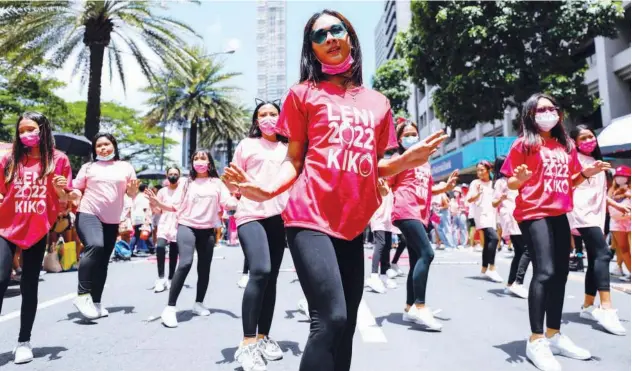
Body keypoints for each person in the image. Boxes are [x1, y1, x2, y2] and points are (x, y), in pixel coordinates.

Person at [221, 9, 446, 371]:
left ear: (350, 36)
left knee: (348, 326)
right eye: (320, 35)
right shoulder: (302, 95)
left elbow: (377, 167)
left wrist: (408, 159)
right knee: (331, 319)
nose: (330, 38)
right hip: (309, 216)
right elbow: (294, 160)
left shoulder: (378, 103)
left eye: (336, 30)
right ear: (312, 50)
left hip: (352, 223)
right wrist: (263, 190)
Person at [501, 93, 610, 371]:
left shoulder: (566, 145)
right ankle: (536, 340)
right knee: (545, 272)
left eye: (553, 109)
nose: (549, 113)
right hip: (533, 213)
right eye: (542, 109)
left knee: (561, 274)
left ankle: (554, 333)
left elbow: (570, 180)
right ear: (530, 115)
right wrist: (520, 179)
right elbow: (511, 182)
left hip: (559, 213)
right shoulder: (523, 144)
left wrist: (588, 173)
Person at [223, 99, 290, 371]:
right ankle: (248, 343)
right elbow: (233, 181)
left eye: (273, 113)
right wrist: (232, 191)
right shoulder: (246, 145)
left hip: (279, 216)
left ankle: (263, 338)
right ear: (255, 120)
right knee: (260, 271)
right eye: (262, 114)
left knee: (271, 278)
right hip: (251, 213)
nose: (268, 118)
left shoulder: (289, 148)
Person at [0, 112, 72, 364]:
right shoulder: (9, 160)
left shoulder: (58, 160)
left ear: (43, 130)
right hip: (6, 227)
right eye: (21, 130)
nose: (25, 134)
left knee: (29, 285)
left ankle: (23, 341)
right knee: (0, 278)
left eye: (31, 129)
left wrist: (61, 191)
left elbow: (66, 202)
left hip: (37, 228)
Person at [146, 150, 236, 328]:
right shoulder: (187, 183)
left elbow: (228, 202)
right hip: (187, 226)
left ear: (209, 162)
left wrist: (235, 200)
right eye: (196, 158)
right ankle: (170, 308)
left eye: (203, 158)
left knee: (204, 268)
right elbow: (175, 206)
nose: (199, 161)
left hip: (208, 230)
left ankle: (198, 303)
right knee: (185, 262)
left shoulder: (217, 183)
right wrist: (158, 203)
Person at [390, 121, 458, 331]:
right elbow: (386, 181)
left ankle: (409, 307)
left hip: (420, 213)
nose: (411, 137)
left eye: (414, 133)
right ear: (399, 140)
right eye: (406, 134)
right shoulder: (399, 159)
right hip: (405, 209)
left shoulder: (424, 161)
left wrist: (444, 188)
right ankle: (421, 306)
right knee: (427, 253)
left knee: (415, 259)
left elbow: (426, 188)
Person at [70, 133, 138, 320]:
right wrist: (74, 194)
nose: (103, 148)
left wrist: (132, 191)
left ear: (114, 146)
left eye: (106, 144)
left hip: (112, 220)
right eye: (98, 145)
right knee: (95, 245)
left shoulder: (125, 167)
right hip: (88, 212)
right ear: (94, 149)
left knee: (102, 261)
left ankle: (96, 302)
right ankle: (82, 295)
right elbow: (76, 187)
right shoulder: (88, 167)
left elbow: (131, 193)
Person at [567, 125, 627, 335]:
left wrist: (617, 206)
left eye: (591, 136)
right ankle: (607, 308)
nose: (589, 140)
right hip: (581, 212)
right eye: (583, 138)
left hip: (597, 214)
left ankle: (587, 305)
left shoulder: (597, 162)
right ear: (574, 142)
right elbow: (569, 185)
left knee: (595, 258)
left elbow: (600, 191)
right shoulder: (572, 160)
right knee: (603, 253)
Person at [492, 156, 530, 299]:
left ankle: (510, 284)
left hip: (518, 215)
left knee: (520, 251)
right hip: (511, 217)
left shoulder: (515, 179)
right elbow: (494, 203)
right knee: (527, 249)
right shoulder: (501, 183)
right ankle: (517, 283)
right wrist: (501, 198)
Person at [467, 161, 503, 282]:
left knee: (488, 240)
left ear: (489, 170)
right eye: (478, 170)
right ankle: (491, 268)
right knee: (494, 238)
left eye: (482, 170)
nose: (479, 172)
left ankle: (483, 269)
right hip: (481, 215)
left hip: (492, 214)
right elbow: (469, 199)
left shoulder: (494, 184)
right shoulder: (475, 183)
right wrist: (477, 194)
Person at [365, 176, 399, 294]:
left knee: (387, 246)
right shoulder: (378, 181)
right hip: (378, 219)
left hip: (388, 221)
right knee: (381, 244)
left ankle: (384, 275)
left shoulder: (391, 187)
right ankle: (374, 275)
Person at [153, 166, 181, 293]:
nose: (173, 176)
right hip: (164, 223)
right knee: (160, 247)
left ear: (179, 176)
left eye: (175, 174)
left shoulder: (182, 190)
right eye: (171, 173)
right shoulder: (162, 191)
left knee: (174, 252)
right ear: (167, 175)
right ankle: (160, 278)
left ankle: (170, 278)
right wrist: (152, 203)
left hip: (177, 223)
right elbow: (157, 210)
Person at [608, 166, 631, 281]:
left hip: (630, 221)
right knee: (623, 249)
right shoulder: (612, 191)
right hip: (617, 223)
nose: (620, 179)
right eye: (618, 176)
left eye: (623, 176)